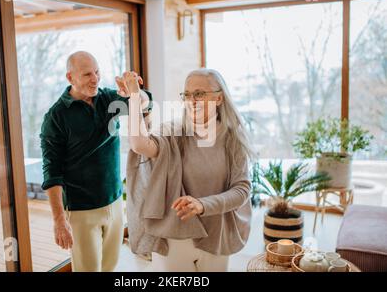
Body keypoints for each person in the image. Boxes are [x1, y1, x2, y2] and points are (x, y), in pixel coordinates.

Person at [119, 68, 253, 272]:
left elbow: (242, 189)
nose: (192, 100)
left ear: (218, 98)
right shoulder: (172, 132)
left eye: (199, 93)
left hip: (217, 233)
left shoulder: (232, 138)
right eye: (187, 94)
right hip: (174, 235)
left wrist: (202, 205)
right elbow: (139, 144)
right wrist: (135, 97)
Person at [40, 51, 151, 272]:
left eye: (97, 72)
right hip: (81, 211)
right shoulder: (56, 117)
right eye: (87, 74)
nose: (95, 79)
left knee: (110, 266)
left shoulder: (108, 99)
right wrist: (59, 220)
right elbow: (51, 171)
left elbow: (146, 104)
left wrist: (135, 92)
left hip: (115, 201)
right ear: (70, 77)